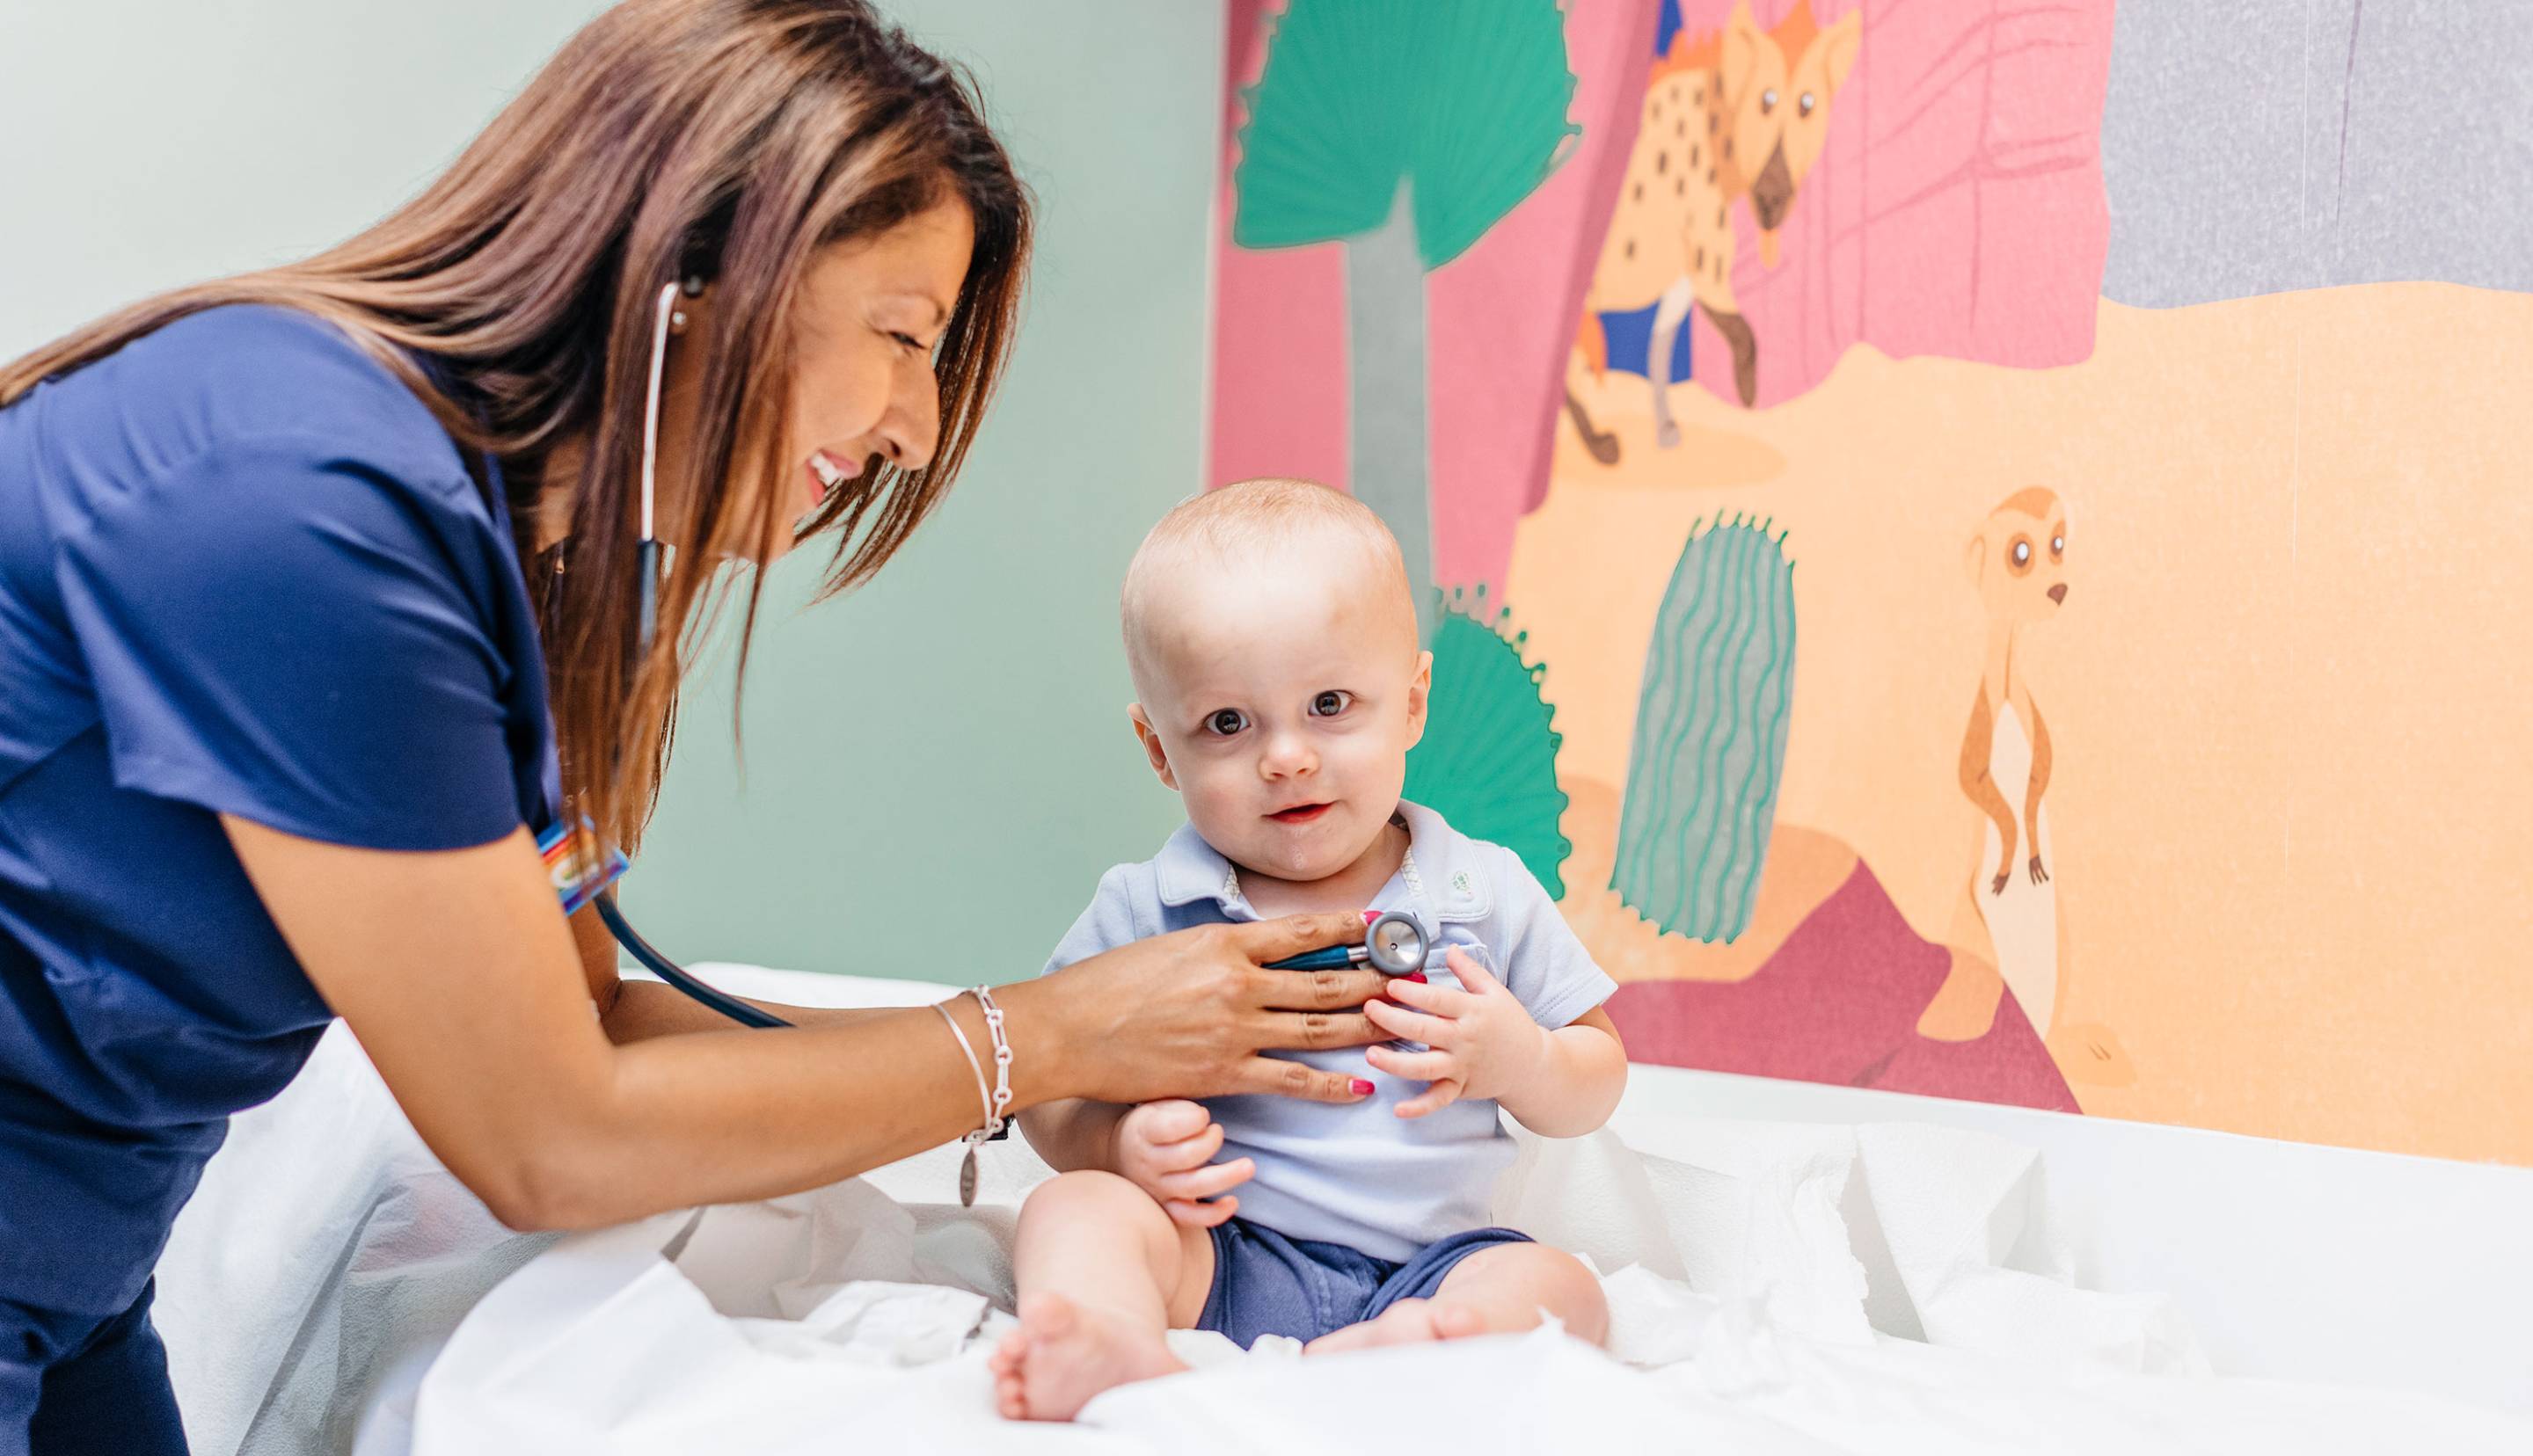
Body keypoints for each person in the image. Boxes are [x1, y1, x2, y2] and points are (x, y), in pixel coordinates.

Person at [0, 6, 1391, 1451]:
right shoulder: (304, 498)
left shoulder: (480, 560)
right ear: (695, 277)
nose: (915, 427)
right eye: (905, 336)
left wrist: (1069, 1058)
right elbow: (551, 1138)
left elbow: (594, 1024)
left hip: (78, 1284)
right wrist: (1041, 1037)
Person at [989, 479, 1628, 1422]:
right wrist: (1114, 1143)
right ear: (1159, 749)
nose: (1285, 757)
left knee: (1564, 1288)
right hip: (1217, 1250)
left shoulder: (1479, 890)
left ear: (1411, 704)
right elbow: (1046, 1085)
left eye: (1330, 703)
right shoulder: (1148, 905)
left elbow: (1599, 1073)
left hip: (1437, 1263)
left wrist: (1522, 1058)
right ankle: (1108, 1336)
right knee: (1073, 1214)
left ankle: (1409, 1350)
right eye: (1227, 724)